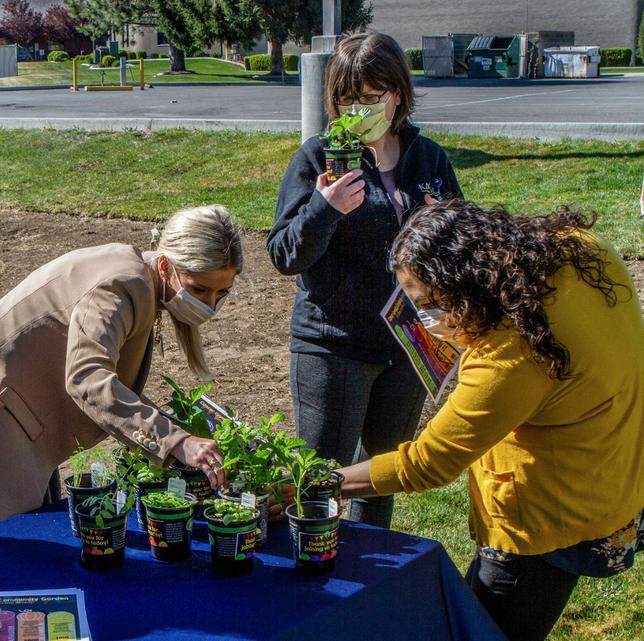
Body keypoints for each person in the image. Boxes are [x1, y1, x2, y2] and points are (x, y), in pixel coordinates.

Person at [338, 200, 644, 641]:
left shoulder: (510, 356)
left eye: (429, 305)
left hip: (545, 520)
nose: (427, 320)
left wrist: (319, 482)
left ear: (466, 289)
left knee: (483, 632)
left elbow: (426, 463)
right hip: (614, 472)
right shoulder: (581, 249)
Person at [0, 206, 243, 524]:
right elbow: (87, 379)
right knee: (20, 558)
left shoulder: (137, 275)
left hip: (23, 413)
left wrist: (176, 433)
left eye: (221, 293)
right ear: (167, 267)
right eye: (200, 290)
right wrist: (176, 442)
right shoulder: (121, 286)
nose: (210, 305)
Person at [267, 32, 462, 528]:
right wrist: (323, 209)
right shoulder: (319, 158)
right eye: (345, 100)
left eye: (370, 98)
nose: (357, 110)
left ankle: (366, 590)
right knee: (319, 479)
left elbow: (461, 244)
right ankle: (310, 577)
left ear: (397, 93)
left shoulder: (430, 159)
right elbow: (285, 253)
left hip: (407, 345)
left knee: (379, 479)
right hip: (335, 345)